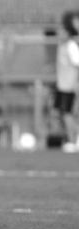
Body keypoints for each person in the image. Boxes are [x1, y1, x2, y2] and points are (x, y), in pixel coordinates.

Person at [55, 11, 79, 153]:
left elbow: (77, 63)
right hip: (62, 85)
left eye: (62, 31)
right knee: (63, 113)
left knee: (68, 113)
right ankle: (70, 140)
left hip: (69, 86)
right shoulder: (63, 46)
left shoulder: (70, 45)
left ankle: (71, 141)